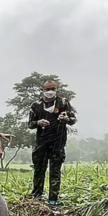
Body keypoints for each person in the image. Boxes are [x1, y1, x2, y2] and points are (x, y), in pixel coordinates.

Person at [28, 79, 77, 208]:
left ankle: (53, 200)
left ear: (56, 89)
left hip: (58, 142)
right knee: (39, 170)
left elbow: (73, 119)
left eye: (53, 89)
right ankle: (36, 198)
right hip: (42, 142)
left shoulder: (63, 103)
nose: (50, 92)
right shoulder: (36, 105)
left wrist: (66, 119)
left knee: (55, 171)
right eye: (47, 89)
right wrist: (38, 122)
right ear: (43, 90)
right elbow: (30, 124)